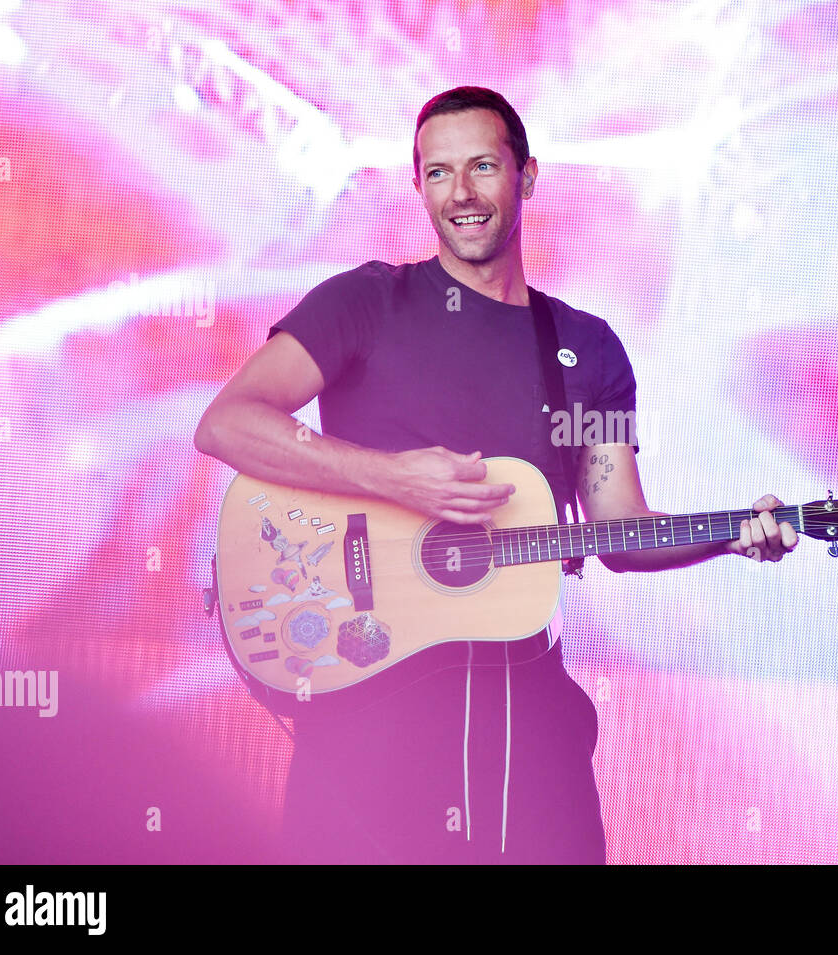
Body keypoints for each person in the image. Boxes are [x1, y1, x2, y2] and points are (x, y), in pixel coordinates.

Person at [194, 86, 798, 864]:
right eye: (439, 173)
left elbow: (619, 530)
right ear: (418, 188)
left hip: (524, 716)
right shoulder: (366, 302)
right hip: (368, 716)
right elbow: (229, 422)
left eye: (483, 166)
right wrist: (395, 480)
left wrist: (729, 536)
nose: (463, 194)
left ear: (528, 176)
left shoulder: (589, 348)